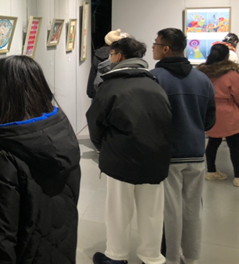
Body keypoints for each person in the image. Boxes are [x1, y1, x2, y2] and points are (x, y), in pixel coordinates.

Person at [0, 55, 81, 264]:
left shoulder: (1, 154)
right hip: (63, 248)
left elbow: (0, 237)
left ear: (1, 94)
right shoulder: (62, 130)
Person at [87, 37, 172, 264]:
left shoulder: (110, 86)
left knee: (118, 210)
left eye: (111, 54)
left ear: (120, 56)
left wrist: (104, 147)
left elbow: (95, 123)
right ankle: (152, 257)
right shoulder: (155, 85)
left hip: (120, 158)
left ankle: (116, 256)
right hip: (155, 158)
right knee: (152, 212)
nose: (110, 58)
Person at [151, 28, 216, 264]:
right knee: (193, 209)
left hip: (169, 155)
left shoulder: (155, 78)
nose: (153, 47)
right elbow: (210, 120)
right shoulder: (202, 79)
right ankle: (191, 257)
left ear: (166, 49)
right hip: (196, 153)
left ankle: (170, 258)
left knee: (170, 211)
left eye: (156, 44)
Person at [197, 44, 239, 187]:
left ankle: (211, 171)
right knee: (235, 146)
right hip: (229, 114)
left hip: (210, 112)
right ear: (227, 57)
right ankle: (238, 176)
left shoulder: (202, 73)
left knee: (213, 143)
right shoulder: (231, 74)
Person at [87, 29, 127, 99]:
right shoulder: (119, 56)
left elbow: (93, 73)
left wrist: (90, 92)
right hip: (113, 92)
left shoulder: (98, 53)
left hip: (97, 91)